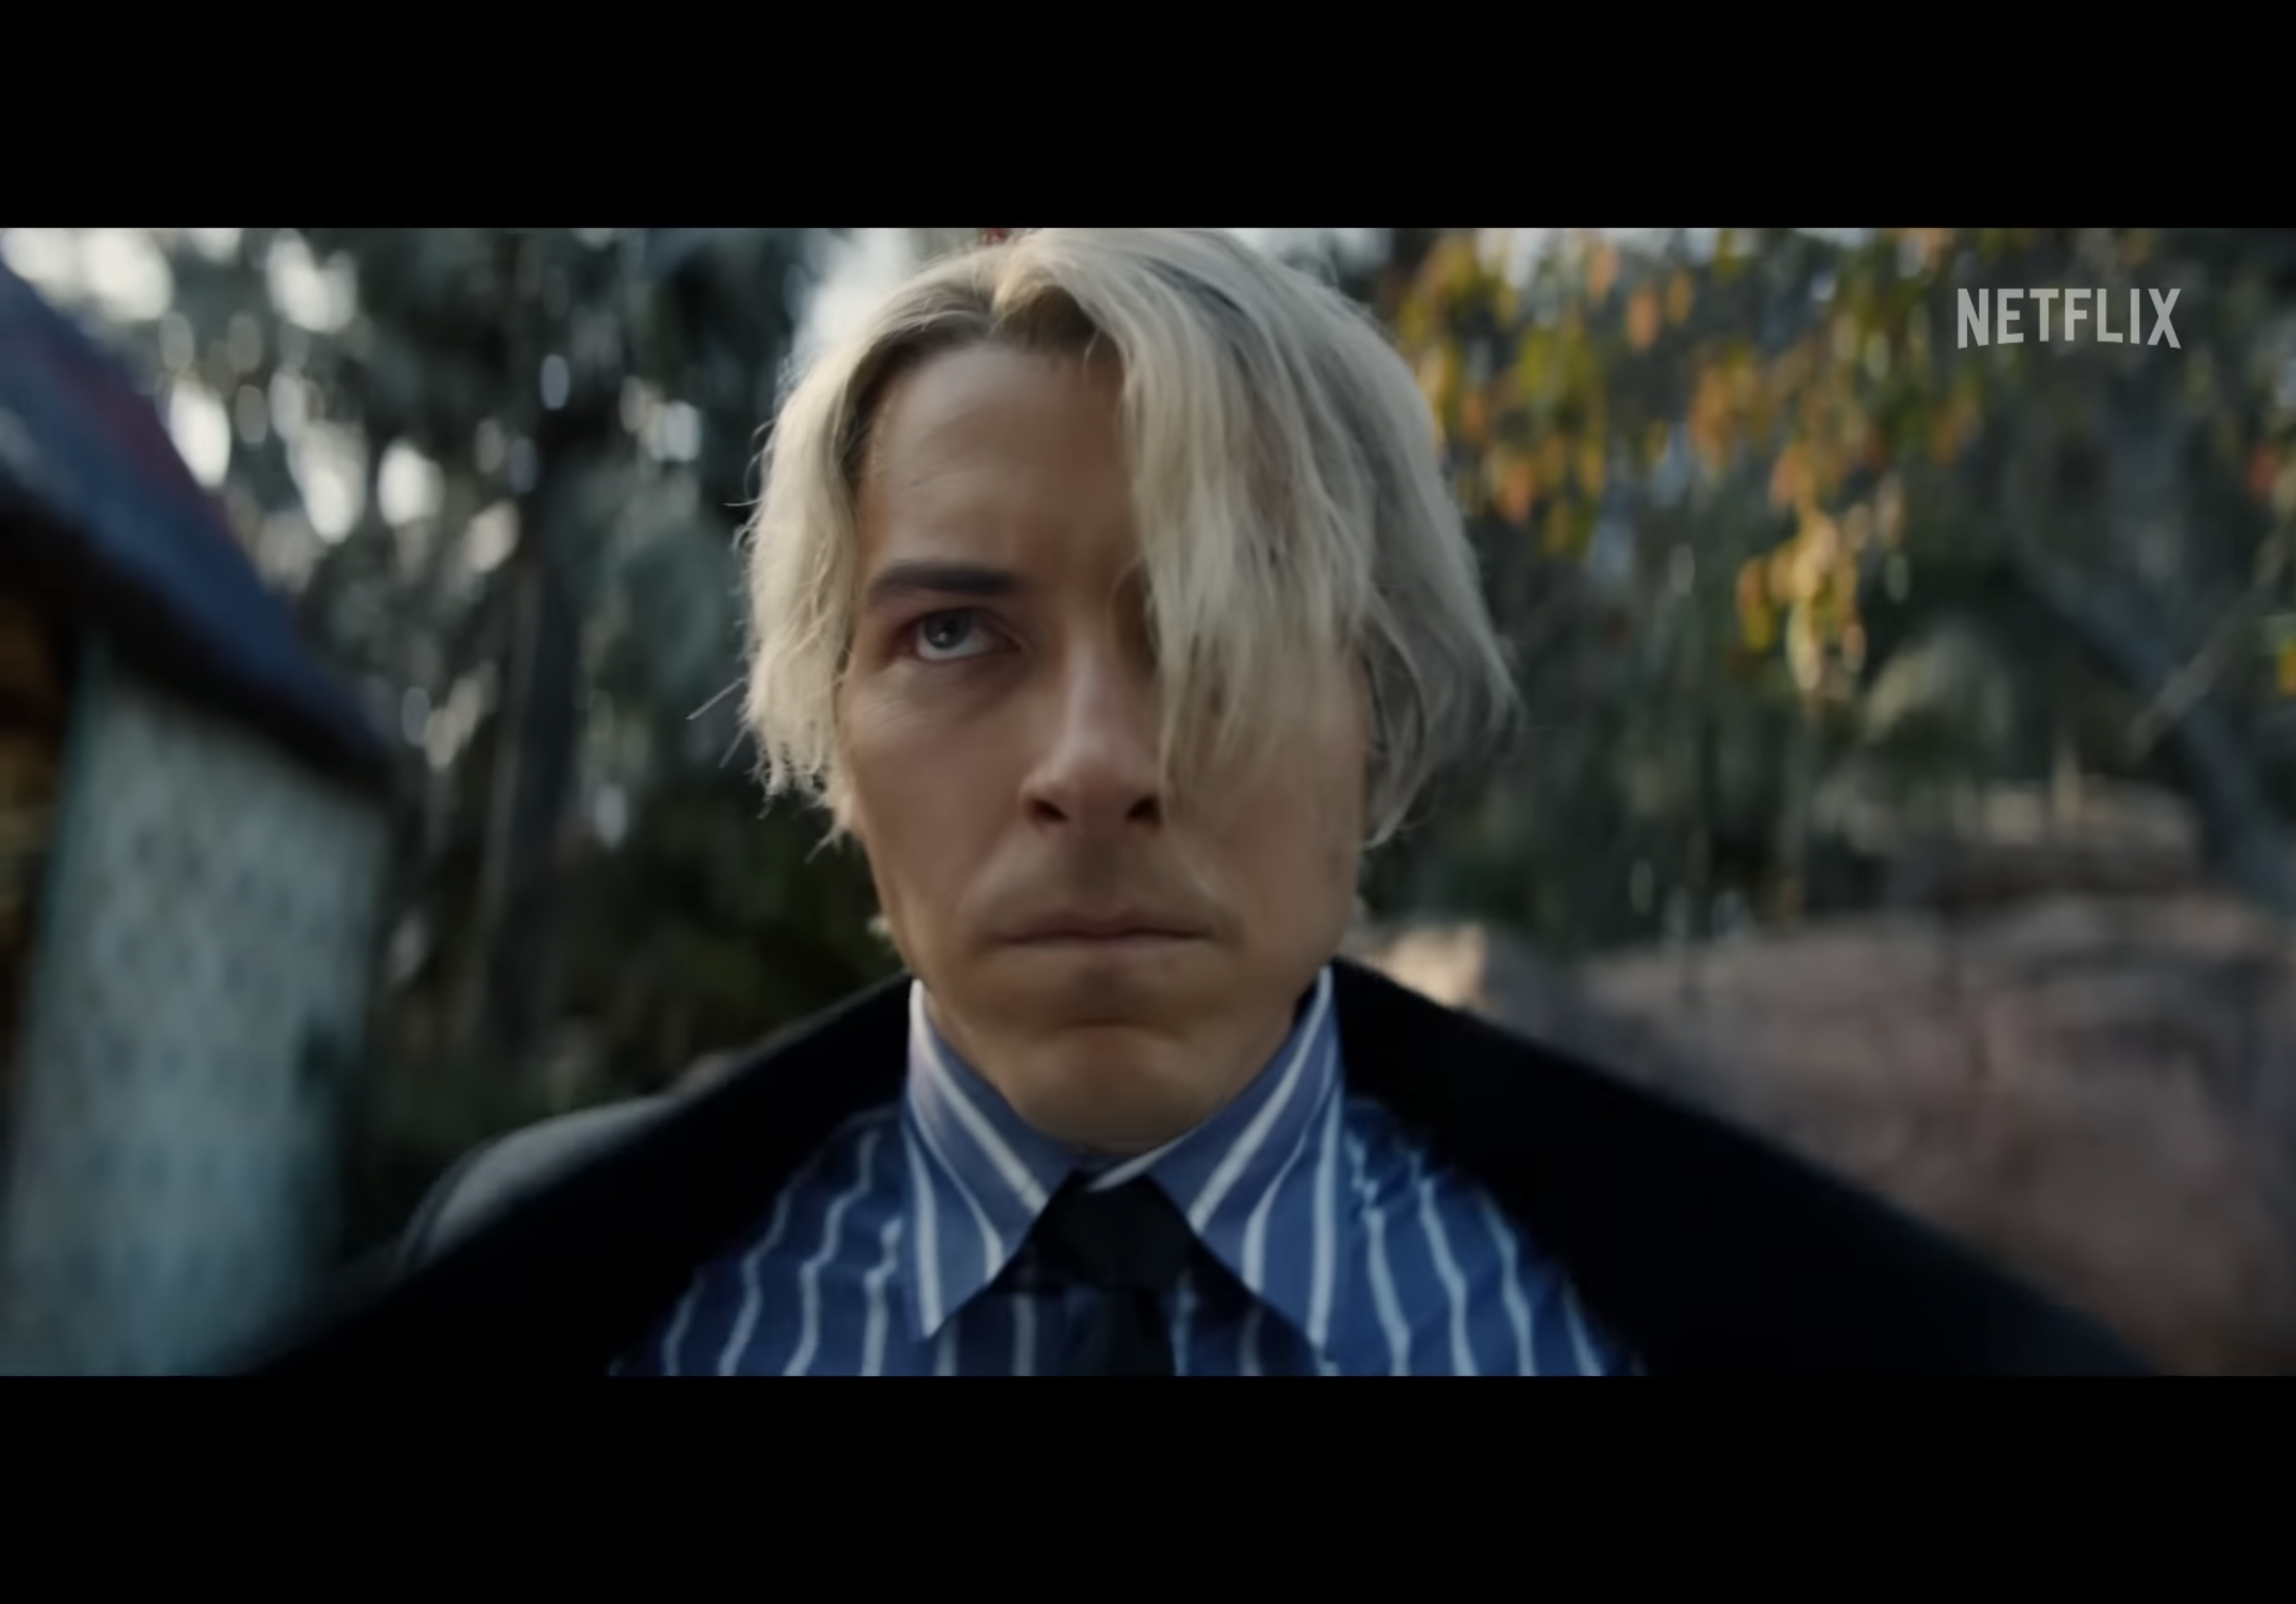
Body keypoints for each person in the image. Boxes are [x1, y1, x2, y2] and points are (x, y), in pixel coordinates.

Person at [247, 229, 2148, 1376]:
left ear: (1378, 709)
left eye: (1219, 626)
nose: (1095, 765)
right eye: (954, 635)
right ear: (831, 720)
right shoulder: (553, 1301)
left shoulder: (1693, 1320)